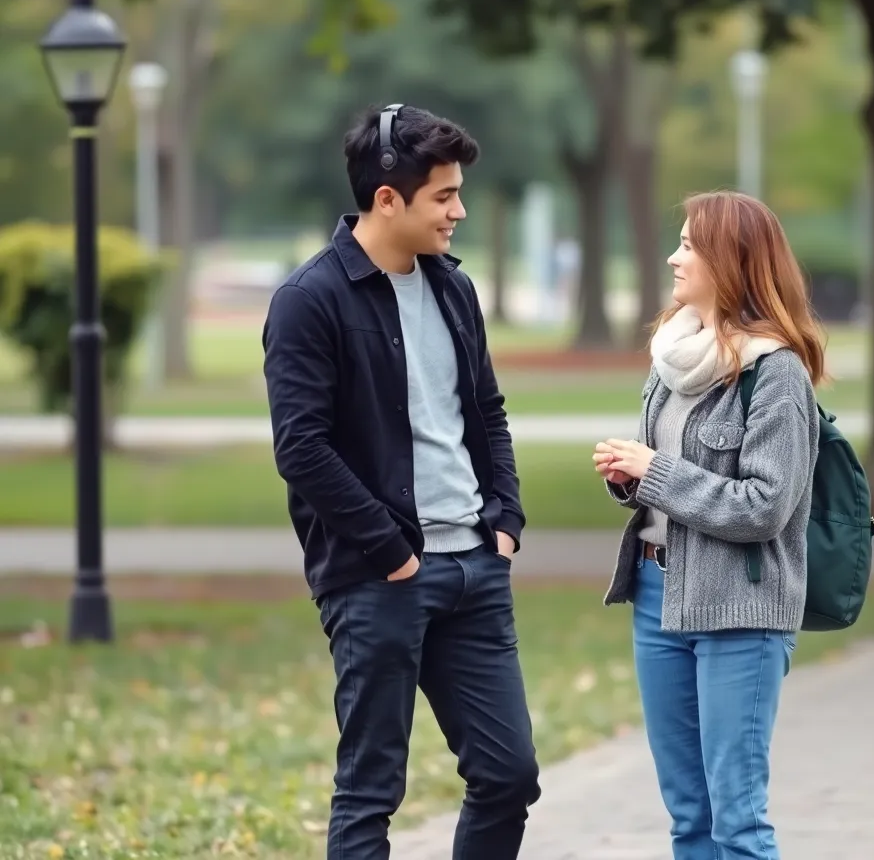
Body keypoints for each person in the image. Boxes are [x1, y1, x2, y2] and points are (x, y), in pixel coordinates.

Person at [262, 104, 540, 860]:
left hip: (476, 570)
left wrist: (505, 517)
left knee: (509, 774)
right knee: (371, 791)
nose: (459, 210)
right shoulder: (308, 300)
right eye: (443, 196)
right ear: (388, 199)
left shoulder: (453, 289)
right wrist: (392, 552)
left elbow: (485, 411)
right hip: (379, 577)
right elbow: (303, 448)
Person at [593, 190, 824, 860]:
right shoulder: (673, 360)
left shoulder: (775, 373)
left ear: (731, 260)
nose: (674, 256)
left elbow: (764, 506)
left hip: (740, 610)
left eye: (689, 245)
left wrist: (657, 470)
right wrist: (630, 479)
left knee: (736, 821)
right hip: (657, 600)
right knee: (689, 817)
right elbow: (671, 486)